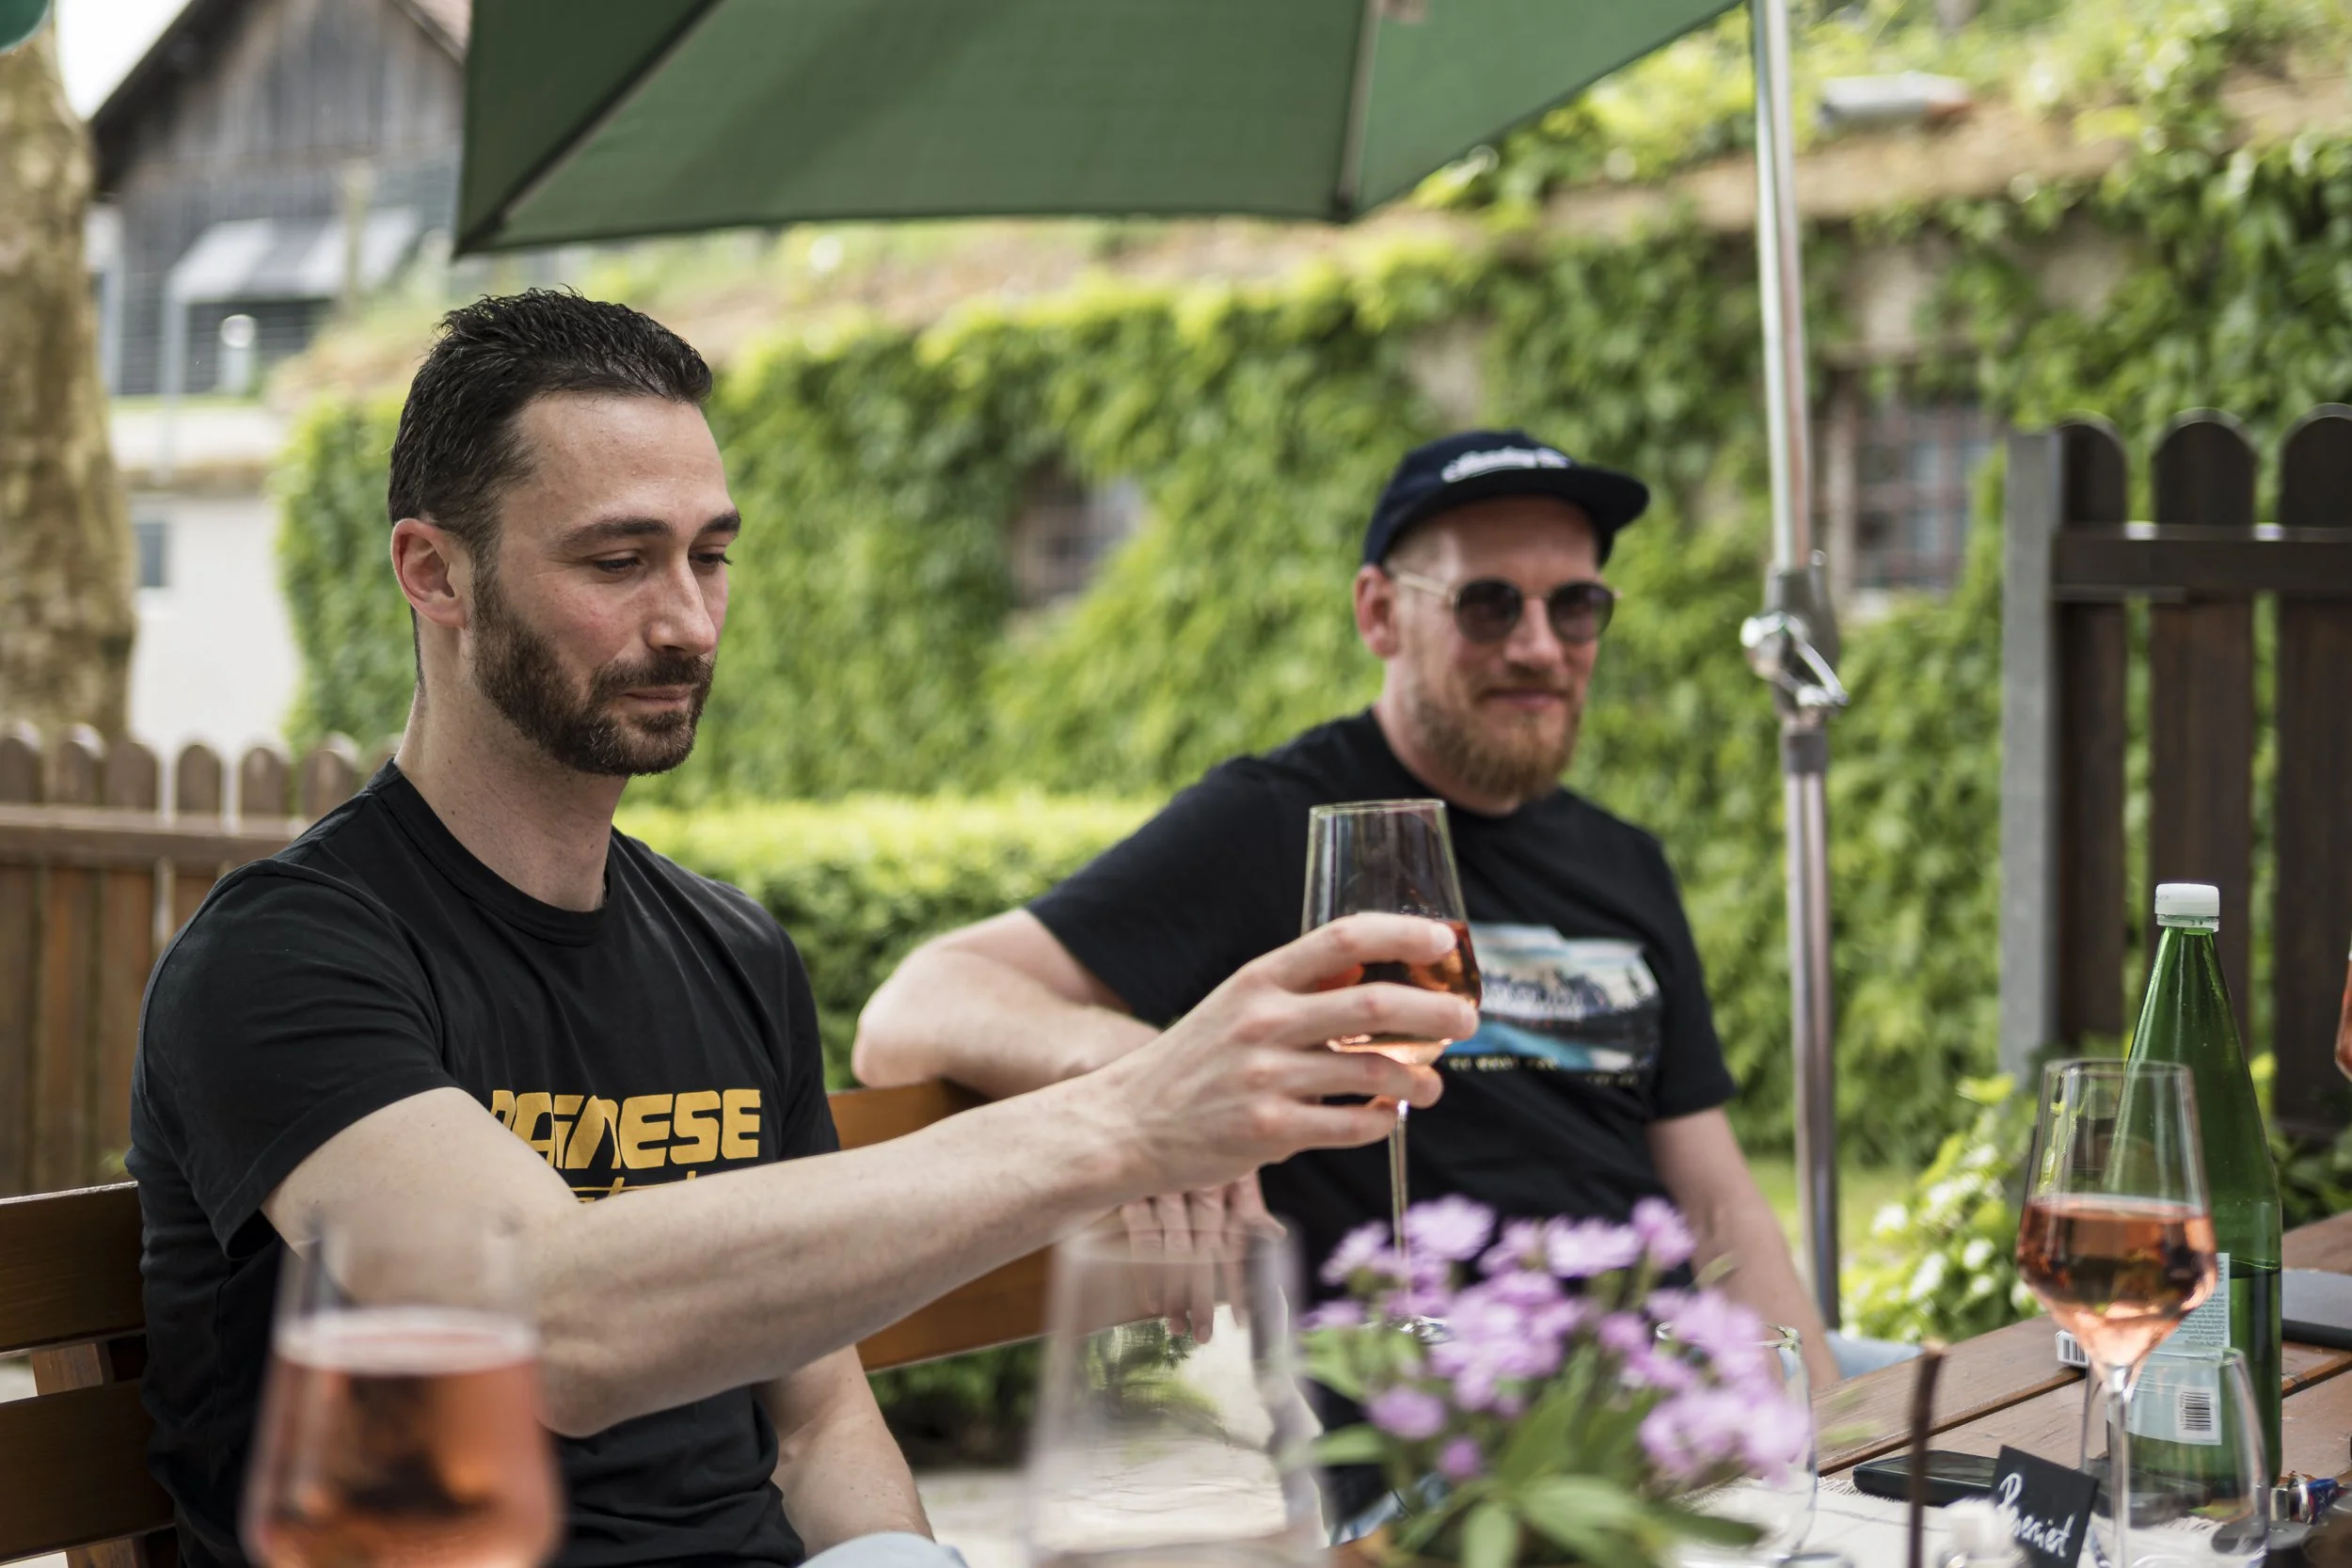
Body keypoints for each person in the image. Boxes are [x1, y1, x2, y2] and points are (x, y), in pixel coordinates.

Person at [128, 292, 1469, 1568]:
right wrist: (1131, 1116)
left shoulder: (730, 949)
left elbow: (821, 1422)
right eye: (617, 560)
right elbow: (550, 1318)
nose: (686, 620)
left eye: (709, 555)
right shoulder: (284, 957)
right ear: (436, 572)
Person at [854, 428, 1841, 1390]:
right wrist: (1140, 1076)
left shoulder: (1624, 861)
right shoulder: (1274, 822)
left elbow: (1717, 1206)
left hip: (1663, 1393)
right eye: (1488, 604)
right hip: (1428, 1422)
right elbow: (910, 1009)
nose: (1540, 645)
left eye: (1576, 605)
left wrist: (1824, 1427)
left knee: (1915, 1411)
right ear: (1379, 614)